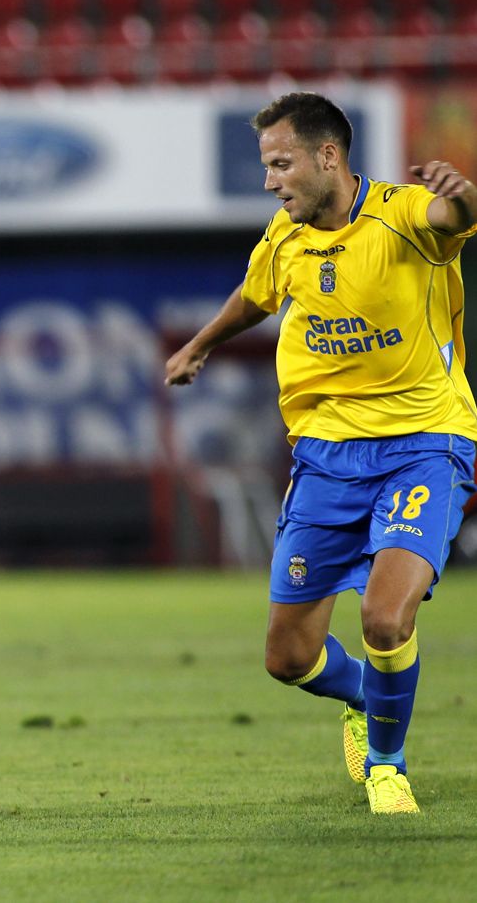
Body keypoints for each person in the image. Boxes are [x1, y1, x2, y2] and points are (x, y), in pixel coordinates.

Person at [165, 91, 477, 815]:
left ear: (327, 156)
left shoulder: (401, 213)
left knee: (384, 619)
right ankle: (370, 698)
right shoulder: (285, 236)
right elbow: (253, 296)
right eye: (267, 167)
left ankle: (387, 765)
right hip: (325, 459)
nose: (271, 181)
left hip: (422, 444)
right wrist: (198, 345)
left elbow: (453, 219)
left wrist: (464, 197)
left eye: (281, 164)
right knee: (288, 658)